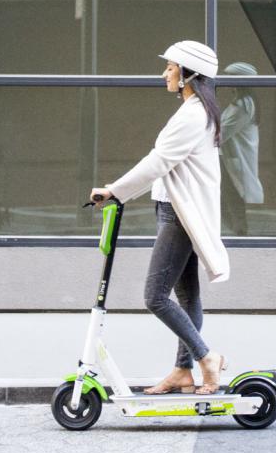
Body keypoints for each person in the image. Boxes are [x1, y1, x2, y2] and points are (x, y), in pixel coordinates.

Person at [90, 40, 229, 395]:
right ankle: (183, 371)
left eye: (170, 67)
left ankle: (205, 357)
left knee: (155, 296)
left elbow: (158, 162)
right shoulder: (196, 111)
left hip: (179, 215)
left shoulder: (194, 115)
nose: (164, 73)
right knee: (187, 296)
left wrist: (114, 190)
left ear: (188, 75)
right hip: (176, 209)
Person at [219, 61, 264, 236]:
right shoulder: (240, 102)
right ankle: (237, 231)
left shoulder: (243, 106)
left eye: (229, 77)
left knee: (234, 197)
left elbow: (222, 133)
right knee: (230, 197)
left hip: (235, 159)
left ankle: (240, 233)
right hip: (230, 158)